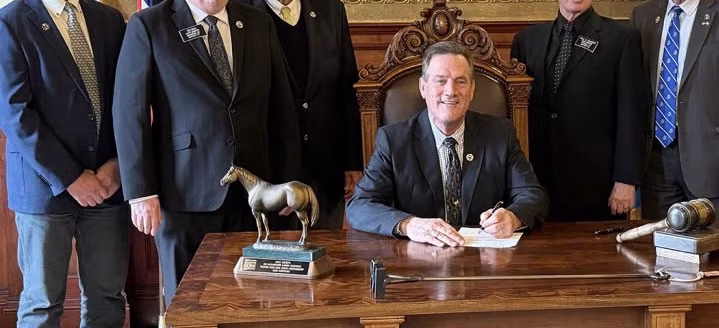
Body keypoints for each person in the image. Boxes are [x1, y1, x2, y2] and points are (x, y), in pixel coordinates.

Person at [113, 0, 302, 304]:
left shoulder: (257, 22)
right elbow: (128, 113)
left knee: (255, 303)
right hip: (184, 194)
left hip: (254, 194)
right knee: (189, 306)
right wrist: (140, 192)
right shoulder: (149, 25)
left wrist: (289, 180)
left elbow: (282, 107)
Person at [0, 0, 128, 325]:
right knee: (42, 306)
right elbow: (15, 114)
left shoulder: (109, 19)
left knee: (107, 300)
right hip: (45, 191)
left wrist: (118, 162)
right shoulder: (9, 22)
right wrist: (71, 177)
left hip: (106, 184)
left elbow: (128, 98)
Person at [346, 41, 547, 246]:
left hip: (485, 258)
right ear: (423, 88)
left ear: (472, 89)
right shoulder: (393, 140)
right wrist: (409, 224)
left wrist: (513, 217)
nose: (450, 91)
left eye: (460, 81)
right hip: (418, 261)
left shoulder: (499, 133)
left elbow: (533, 195)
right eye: (440, 81)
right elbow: (360, 205)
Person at [510, 0, 647, 221]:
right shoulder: (526, 41)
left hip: (595, 185)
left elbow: (632, 114)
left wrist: (626, 179)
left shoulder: (621, 39)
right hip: (537, 184)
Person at [631, 0, 719, 219]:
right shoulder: (642, 15)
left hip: (714, 164)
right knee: (661, 250)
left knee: (715, 249)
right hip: (655, 165)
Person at [238, 0, 363, 229]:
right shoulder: (240, 11)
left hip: (325, 175)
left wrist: (352, 161)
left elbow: (346, 89)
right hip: (271, 179)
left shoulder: (331, 9)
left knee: (327, 258)